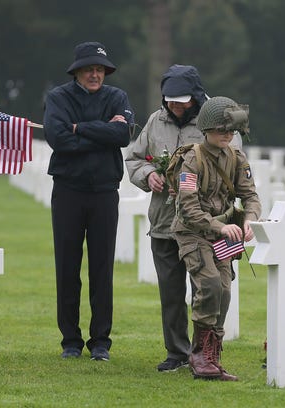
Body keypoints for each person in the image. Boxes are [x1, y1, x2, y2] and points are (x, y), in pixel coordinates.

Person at [43, 41, 134, 361]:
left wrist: (79, 128)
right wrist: (102, 132)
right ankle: (70, 339)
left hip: (104, 193)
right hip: (68, 191)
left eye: (100, 69)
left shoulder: (117, 98)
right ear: (77, 72)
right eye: (89, 69)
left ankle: (100, 342)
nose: (95, 74)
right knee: (67, 266)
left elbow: (123, 136)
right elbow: (58, 139)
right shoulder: (58, 98)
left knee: (102, 268)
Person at [171, 96, 261, 381]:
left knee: (223, 290)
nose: (227, 135)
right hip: (193, 232)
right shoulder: (192, 159)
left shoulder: (236, 158)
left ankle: (211, 356)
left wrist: (250, 219)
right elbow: (188, 208)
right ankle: (199, 355)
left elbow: (250, 195)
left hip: (223, 235)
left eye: (231, 130)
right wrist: (219, 227)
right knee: (208, 283)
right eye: (222, 129)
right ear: (206, 128)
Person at [125, 64, 207, 372]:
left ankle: (204, 353)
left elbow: (232, 163)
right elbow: (134, 158)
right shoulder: (154, 122)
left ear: (196, 97)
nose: (175, 105)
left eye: (182, 100)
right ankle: (177, 352)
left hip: (201, 223)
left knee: (205, 291)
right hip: (163, 223)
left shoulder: (213, 121)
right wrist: (149, 176)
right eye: (170, 99)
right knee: (171, 293)